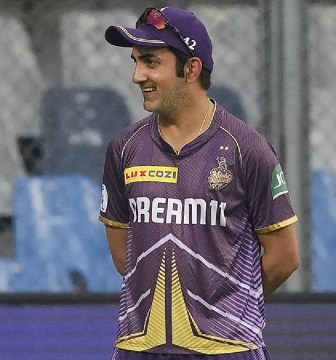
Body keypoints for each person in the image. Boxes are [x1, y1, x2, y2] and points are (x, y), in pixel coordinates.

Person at [99, 7, 300, 360]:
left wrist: (228, 307)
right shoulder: (124, 147)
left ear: (191, 69)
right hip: (139, 347)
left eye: (150, 61)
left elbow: (285, 257)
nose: (136, 75)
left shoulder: (246, 148)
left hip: (229, 350)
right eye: (135, 62)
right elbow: (124, 253)